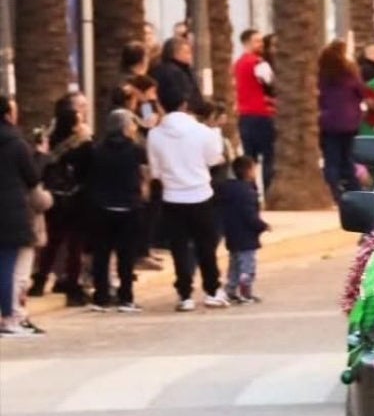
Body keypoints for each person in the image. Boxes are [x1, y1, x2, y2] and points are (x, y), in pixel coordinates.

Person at [147, 81, 229, 312]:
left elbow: (155, 171)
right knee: (206, 246)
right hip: (201, 194)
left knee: (179, 247)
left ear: (161, 104)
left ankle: (185, 294)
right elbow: (214, 159)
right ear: (184, 104)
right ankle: (212, 290)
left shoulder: (155, 135)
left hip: (172, 197)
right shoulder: (202, 132)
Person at [29, 93, 92, 306]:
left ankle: (39, 280)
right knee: (74, 245)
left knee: (53, 242)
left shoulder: (50, 141)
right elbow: (88, 171)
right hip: (75, 198)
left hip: (55, 198)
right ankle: (73, 286)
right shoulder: (82, 145)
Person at [86, 109, 148, 313]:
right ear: (124, 127)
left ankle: (101, 296)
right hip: (128, 206)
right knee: (126, 255)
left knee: (101, 254)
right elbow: (144, 173)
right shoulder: (136, 149)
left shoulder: (96, 149)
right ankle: (125, 297)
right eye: (132, 124)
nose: (134, 128)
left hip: (101, 206)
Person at [0, 96, 44, 336]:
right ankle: (8, 318)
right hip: (11, 211)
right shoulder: (17, 144)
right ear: (8, 115)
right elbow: (33, 177)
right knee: (8, 266)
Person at [317, 39, 366, 203]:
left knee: (331, 159)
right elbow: (361, 92)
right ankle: (355, 191)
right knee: (347, 158)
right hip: (350, 122)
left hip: (328, 122)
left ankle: (334, 193)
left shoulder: (322, 74)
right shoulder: (350, 73)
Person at [218, 156, 270, 304]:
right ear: (248, 171)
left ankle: (230, 290)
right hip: (246, 236)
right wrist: (262, 226)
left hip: (232, 234)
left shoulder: (227, 190)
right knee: (247, 266)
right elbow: (250, 215)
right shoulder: (247, 192)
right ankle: (245, 293)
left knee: (234, 265)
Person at [234, 29, 276, 192]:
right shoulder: (258, 63)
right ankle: (268, 190)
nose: (261, 44)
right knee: (268, 156)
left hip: (245, 116)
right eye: (257, 41)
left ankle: (249, 191)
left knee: (249, 158)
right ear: (247, 43)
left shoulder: (238, 63)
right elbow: (271, 84)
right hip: (262, 114)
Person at [150, 36, 203, 112]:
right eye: (187, 52)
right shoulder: (174, 72)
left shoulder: (184, 70)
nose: (190, 56)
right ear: (175, 54)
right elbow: (179, 97)